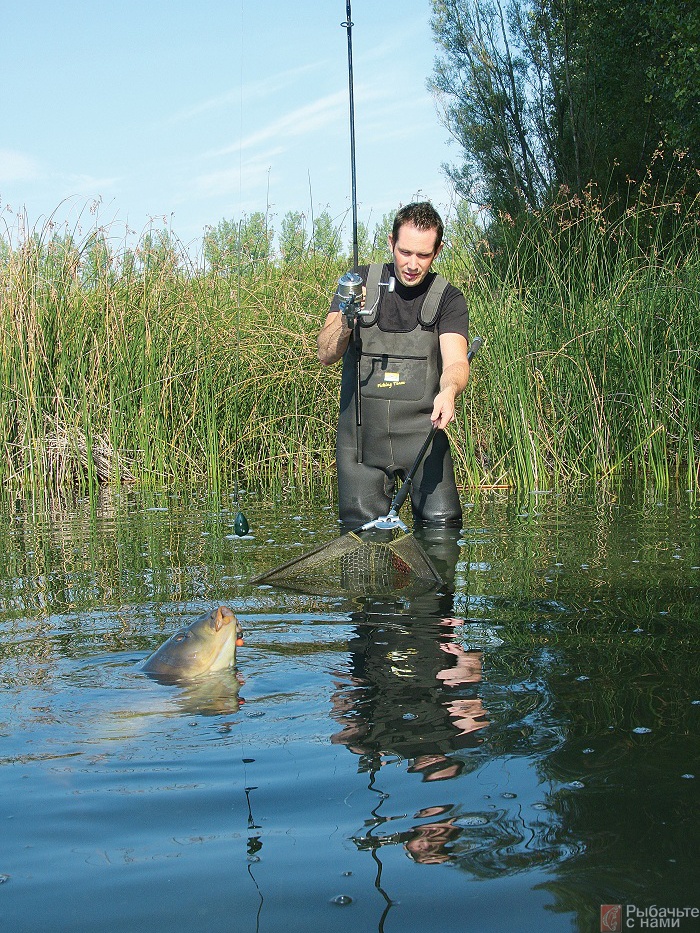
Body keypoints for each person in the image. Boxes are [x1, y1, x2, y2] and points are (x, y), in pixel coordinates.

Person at [317, 201, 470, 527]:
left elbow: (456, 362)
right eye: (405, 252)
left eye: (423, 255)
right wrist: (347, 319)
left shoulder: (448, 298)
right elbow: (326, 354)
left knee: (444, 531)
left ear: (438, 250)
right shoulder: (357, 282)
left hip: (422, 439)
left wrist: (449, 391)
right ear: (391, 243)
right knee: (363, 544)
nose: (413, 264)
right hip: (360, 447)